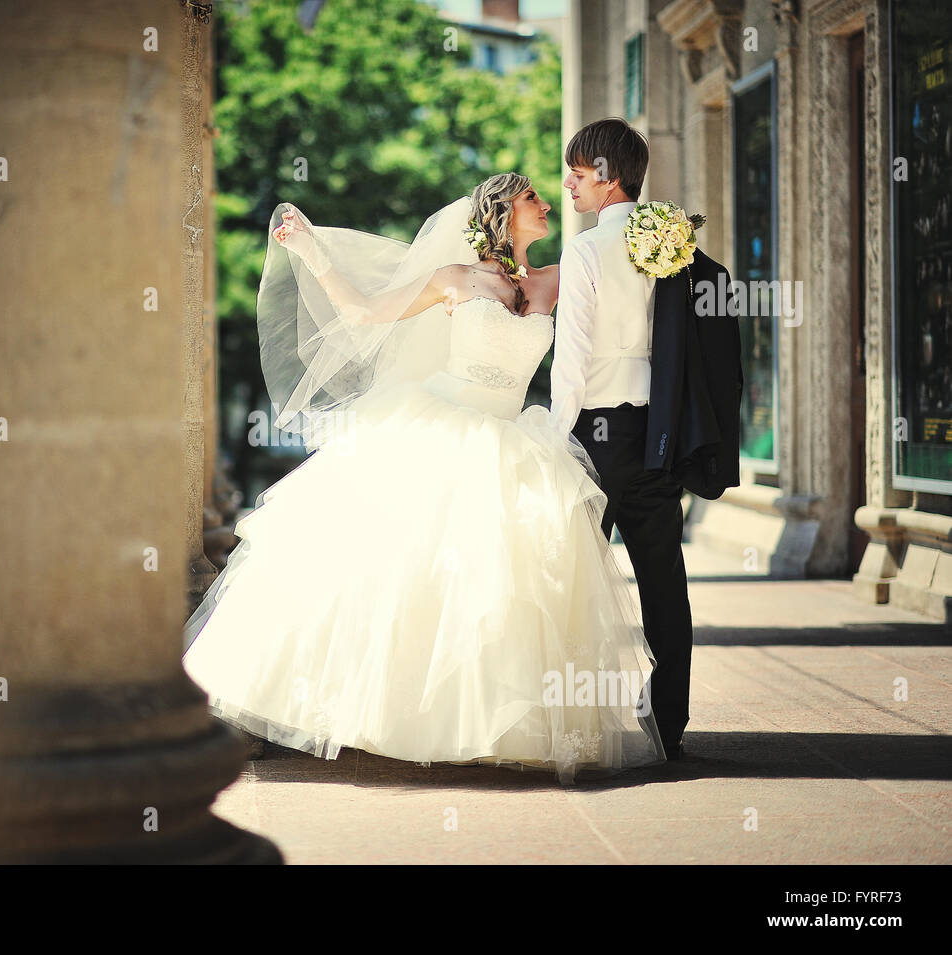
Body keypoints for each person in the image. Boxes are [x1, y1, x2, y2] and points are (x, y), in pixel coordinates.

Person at [183, 173, 665, 784]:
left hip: (512, 436)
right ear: (501, 212)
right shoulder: (455, 280)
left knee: (498, 586)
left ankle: (479, 721)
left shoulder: (558, 278)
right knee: (385, 570)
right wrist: (313, 252)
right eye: (531, 199)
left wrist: (657, 244)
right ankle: (284, 698)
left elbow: (619, 309)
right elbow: (363, 312)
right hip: (437, 424)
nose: (546, 205)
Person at [551, 118, 693, 760]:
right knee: (663, 579)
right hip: (655, 433)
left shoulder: (586, 252)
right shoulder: (672, 245)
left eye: (578, 175)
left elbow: (572, 359)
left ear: (608, 178)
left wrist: (557, 437)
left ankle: (568, 723)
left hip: (594, 435)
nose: (570, 186)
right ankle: (670, 723)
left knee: (571, 580)